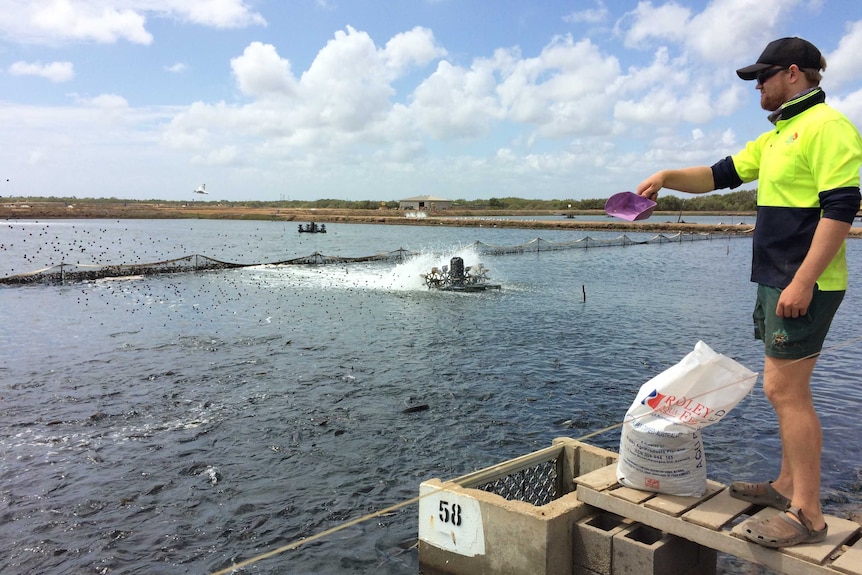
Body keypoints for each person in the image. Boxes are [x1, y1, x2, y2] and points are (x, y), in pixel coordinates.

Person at [636, 37, 862, 548]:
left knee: (786, 390)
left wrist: (803, 280)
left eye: (761, 77)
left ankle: (809, 514)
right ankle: (785, 486)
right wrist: (667, 176)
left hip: (805, 282)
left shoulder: (827, 127)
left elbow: (841, 209)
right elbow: (718, 175)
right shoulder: (781, 134)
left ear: (793, 74)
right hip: (778, 279)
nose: (756, 86)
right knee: (780, 387)